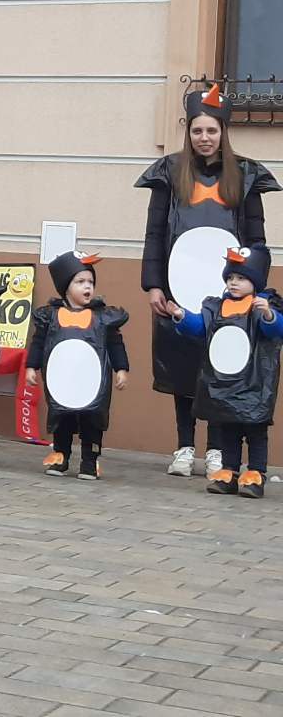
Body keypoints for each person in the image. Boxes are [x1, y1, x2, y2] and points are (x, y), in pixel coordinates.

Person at [136, 82, 276, 479]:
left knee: (221, 366)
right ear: (189, 132)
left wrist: (252, 286)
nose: (204, 137)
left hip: (228, 292)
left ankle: (217, 449)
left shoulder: (245, 176)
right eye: (197, 130)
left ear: (222, 132)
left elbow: (256, 238)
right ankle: (184, 446)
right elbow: (154, 234)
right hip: (178, 288)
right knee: (183, 366)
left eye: (211, 130)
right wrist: (154, 285)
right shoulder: (169, 173)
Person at [175, 245, 281, 499]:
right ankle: (229, 471)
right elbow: (200, 327)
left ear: (255, 281)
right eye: (230, 277)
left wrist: (268, 314)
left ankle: (255, 473)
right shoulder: (216, 307)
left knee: (255, 431)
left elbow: (275, 330)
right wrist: (181, 316)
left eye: (241, 278)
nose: (233, 282)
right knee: (228, 429)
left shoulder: (261, 306)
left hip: (254, 385)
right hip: (224, 384)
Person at [26, 250, 129, 481]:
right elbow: (38, 342)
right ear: (66, 287)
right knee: (62, 417)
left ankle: (90, 460)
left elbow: (115, 343)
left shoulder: (103, 317)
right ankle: (60, 454)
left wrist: (121, 369)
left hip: (92, 381)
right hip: (63, 380)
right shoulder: (51, 316)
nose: (87, 287)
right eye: (80, 282)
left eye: (90, 282)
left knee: (92, 419)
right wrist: (32, 367)